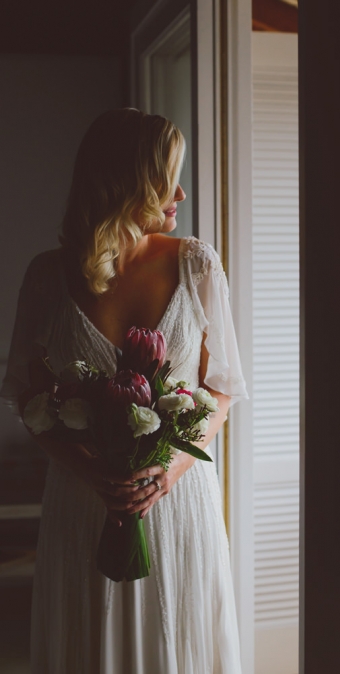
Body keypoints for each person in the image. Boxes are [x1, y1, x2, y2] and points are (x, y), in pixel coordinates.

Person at [1, 108, 248, 672]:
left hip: (177, 501)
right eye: (165, 179)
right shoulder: (47, 277)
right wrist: (93, 474)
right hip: (82, 503)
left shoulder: (195, 264)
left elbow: (222, 391)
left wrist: (167, 473)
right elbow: (31, 402)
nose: (179, 193)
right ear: (124, 182)